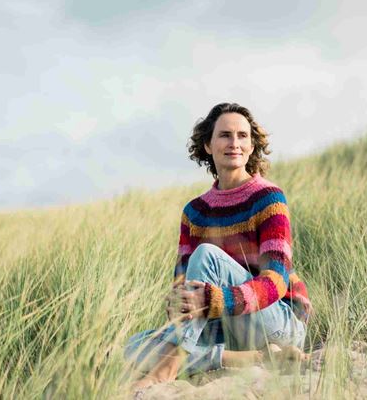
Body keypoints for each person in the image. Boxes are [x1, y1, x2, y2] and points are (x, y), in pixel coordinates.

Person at [125, 102, 313, 391]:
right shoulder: (194, 212)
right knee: (132, 346)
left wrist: (215, 299)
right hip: (223, 325)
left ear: (252, 146)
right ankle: (255, 358)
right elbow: (183, 282)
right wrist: (177, 303)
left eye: (242, 136)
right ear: (208, 145)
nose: (234, 143)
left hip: (276, 321)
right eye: (225, 135)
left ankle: (166, 369)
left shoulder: (269, 198)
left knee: (207, 256)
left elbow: (275, 281)